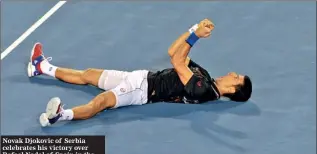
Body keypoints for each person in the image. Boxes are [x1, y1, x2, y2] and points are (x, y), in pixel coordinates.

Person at [28, 19, 252, 127]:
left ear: (232, 89)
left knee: (101, 101)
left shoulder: (203, 89)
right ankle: (40, 67)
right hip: (139, 77)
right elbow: (174, 51)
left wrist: (195, 37)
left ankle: (60, 115)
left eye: (236, 77)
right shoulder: (205, 77)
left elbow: (176, 60)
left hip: (141, 90)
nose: (232, 72)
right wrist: (192, 30)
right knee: (88, 74)